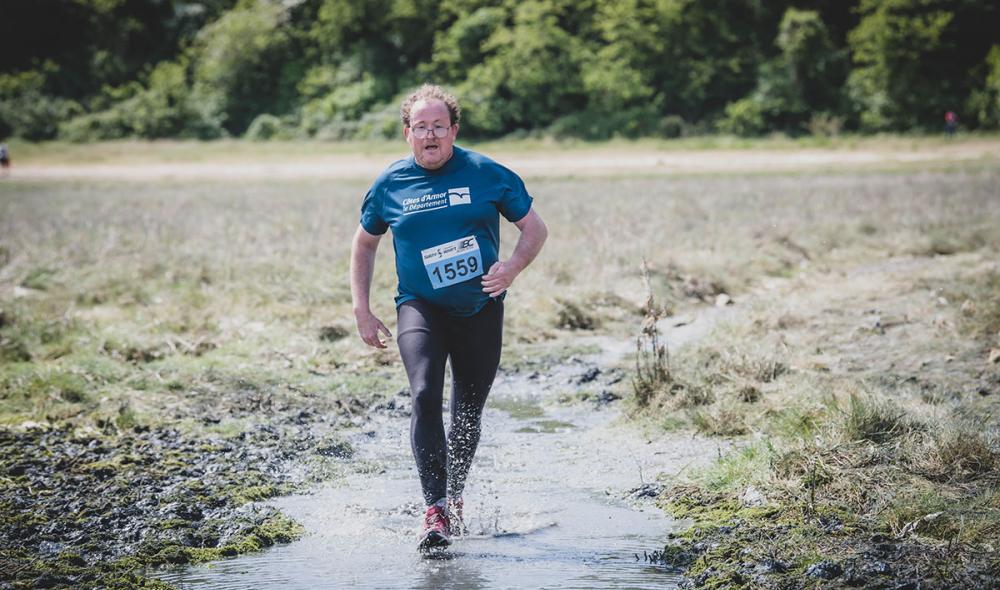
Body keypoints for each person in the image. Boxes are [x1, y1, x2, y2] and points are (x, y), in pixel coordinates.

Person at [349, 84, 548, 550]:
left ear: (454, 130)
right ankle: (434, 508)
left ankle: (455, 497)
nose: (431, 135)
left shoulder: (486, 173)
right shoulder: (390, 184)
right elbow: (364, 242)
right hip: (420, 306)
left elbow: (534, 228)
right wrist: (362, 308)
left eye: (440, 126)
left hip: (480, 306)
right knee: (423, 393)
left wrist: (512, 268)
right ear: (408, 134)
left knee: (467, 412)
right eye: (422, 127)